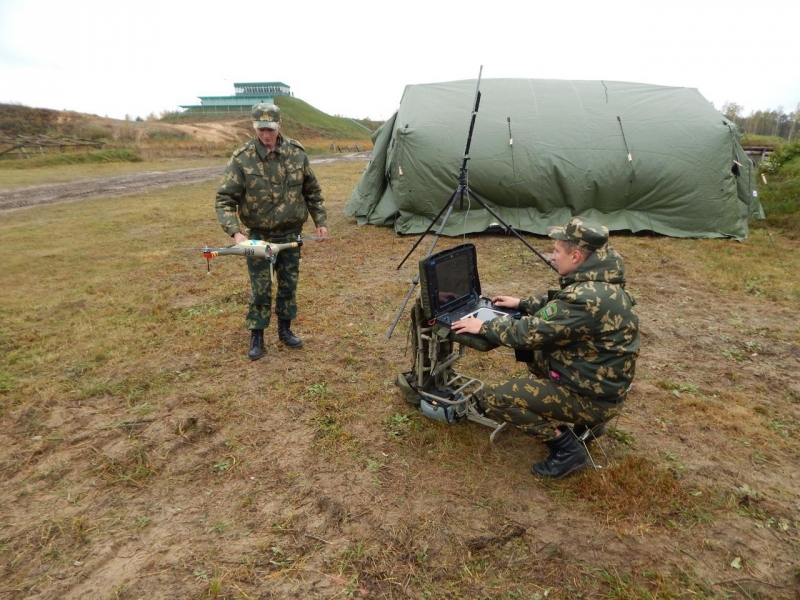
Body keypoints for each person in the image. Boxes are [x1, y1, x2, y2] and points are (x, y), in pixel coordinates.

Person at [451, 217, 639, 479]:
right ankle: (588, 425)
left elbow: (528, 333)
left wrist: (483, 327)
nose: (552, 257)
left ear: (575, 256)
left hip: (593, 397)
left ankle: (568, 450)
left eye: (557, 251)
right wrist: (524, 303)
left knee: (498, 398)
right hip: (600, 384)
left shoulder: (583, 298)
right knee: (537, 355)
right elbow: (561, 309)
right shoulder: (601, 283)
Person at [215, 103, 328, 360]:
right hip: (257, 235)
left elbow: (312, 191)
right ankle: (257, 336)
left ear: (280, 126)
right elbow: (224, 200)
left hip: (291, 234)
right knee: (261, 288)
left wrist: (320, 221)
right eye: (261, 129)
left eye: (270, 129)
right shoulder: (242, 157)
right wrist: (236, 233)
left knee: (288, 285)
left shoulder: (297, 153)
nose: (266, 134)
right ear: (254, 127)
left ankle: (285, 330)